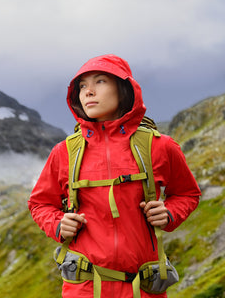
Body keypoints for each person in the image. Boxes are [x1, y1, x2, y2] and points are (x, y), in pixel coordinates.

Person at [28, 54, 201, 297]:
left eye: (100, 82)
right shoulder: (64, 152)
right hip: (84, 287)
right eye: (82, 86)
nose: (88, 91)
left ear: (123, 89)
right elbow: (40, 203)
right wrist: (57, 224)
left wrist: (169, 212)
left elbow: (187, 193)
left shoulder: (160, 147)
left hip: (144, 288)